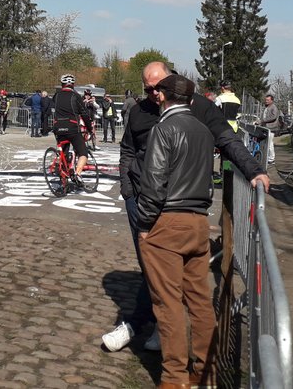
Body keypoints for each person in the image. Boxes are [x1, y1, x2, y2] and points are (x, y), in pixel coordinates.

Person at [103, 61, 269, 354]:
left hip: (177, 206)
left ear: (172, 81)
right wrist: (127, 189)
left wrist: (254, 169)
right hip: (140, 199)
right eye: (148, 88)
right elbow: (128, 148)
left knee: (168, 274)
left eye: (158, 87)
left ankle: (140, 325)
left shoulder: (199, 109)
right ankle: (155, 325)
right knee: (149, 265)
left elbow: (227, 140)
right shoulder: (140, 111)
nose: (154, 93)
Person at [136, 73, 217, 389]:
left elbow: (154, 184)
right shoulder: (204, 131)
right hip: (198, 220)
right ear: (191, 100)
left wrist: (144, 225)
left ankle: (174, 378)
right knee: (199, 300)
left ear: (163, 97)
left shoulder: (163, 129)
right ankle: (206, 371)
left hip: (168, 222)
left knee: (167, 304)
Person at [50, 74, 92, 185]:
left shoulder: (56, 96)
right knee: (83, 152)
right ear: (73, 85)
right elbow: (84, 114)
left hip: (58, 127)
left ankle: (62, 170)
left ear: (62, 85)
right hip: (72, 127)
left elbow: (52, 110)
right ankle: (77, 174)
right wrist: (90, 128)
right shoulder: (76, 96)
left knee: (63, 150)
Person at [259, 93, 281, 163]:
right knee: (268, 143)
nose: (266, 101)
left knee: (270, 143)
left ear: (272, 100)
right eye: (266, 100)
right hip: (266, 127)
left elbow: (274, 117)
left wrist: (264, 121)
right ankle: (269, 157)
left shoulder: (273, 107)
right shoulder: (266, 107)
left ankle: (272, 158)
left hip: (271, 128)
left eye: (268, 100)